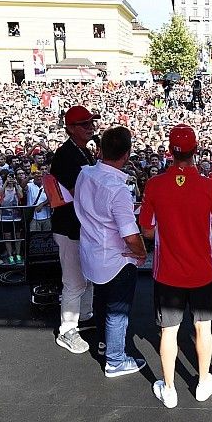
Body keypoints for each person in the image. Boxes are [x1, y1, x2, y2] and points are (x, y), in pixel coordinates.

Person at [140, 124, 212, 408]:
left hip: (168, 273)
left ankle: (169, 390)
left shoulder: (154, 184)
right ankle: (203, 383)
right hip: (202, 271)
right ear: (196, 151)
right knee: (204, 329)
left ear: (169, 152)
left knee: (168, 332)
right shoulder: (209, 185)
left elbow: (148, 231)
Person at [74, 125, 148, 377]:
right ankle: (115, 360)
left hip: (91, 254)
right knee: (118, 310)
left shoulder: (84, 174)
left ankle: (106, 344)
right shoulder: (118, 190)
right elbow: (130, 234)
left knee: (100, 299)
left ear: (100, 149)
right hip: (116, 260)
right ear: (126, 155)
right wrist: (141, 253)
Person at [51, 105, 100, 354]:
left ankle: (85, 315)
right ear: (70, 129)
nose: (91, 127)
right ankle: (67, 330)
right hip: (69, 227)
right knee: (73, 280)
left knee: (87, 276)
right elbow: (80, 191)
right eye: (84, 124)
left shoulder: (84, 152)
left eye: (91, 122)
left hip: (81, 227)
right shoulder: (65, 155)